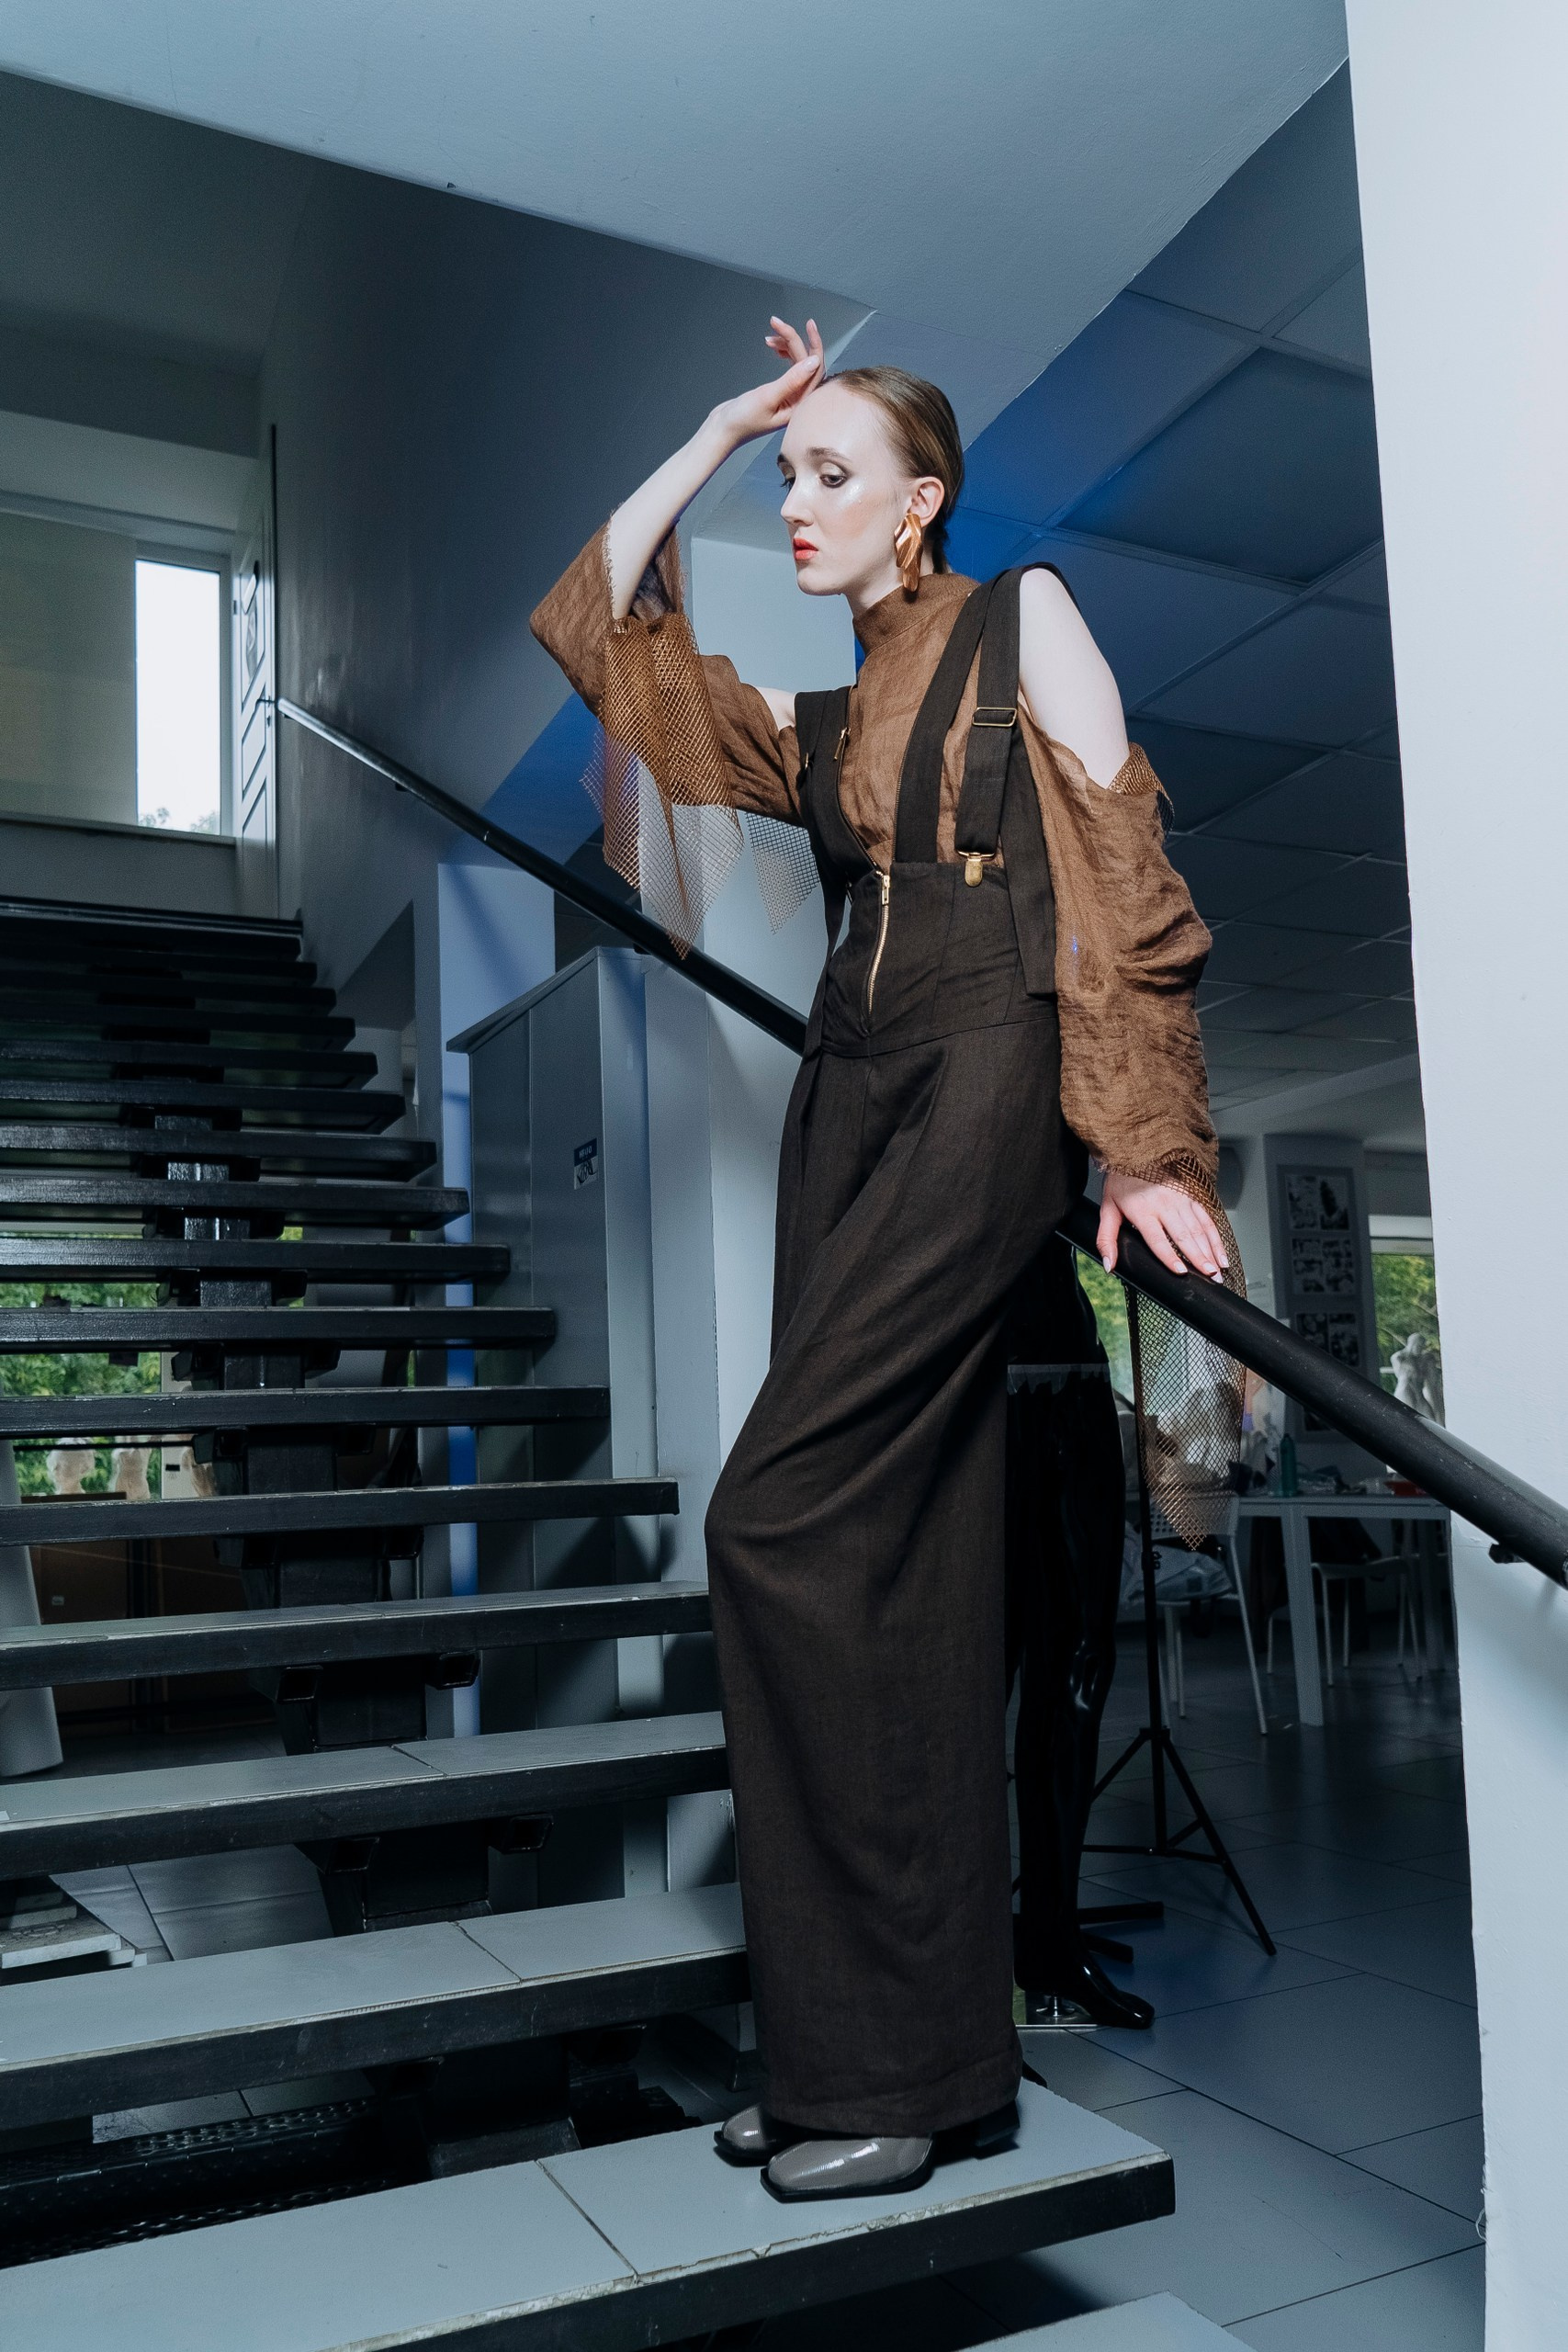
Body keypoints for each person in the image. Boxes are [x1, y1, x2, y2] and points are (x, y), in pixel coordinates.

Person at [531, 318, 1235, 2200]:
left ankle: (888, 2061)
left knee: (773, 1517)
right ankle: (873, 2061)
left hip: (986, 1074)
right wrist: (713, 426)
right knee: (890, 1570)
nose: (797, 499)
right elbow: (605, 628)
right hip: (840, 1098)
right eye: (789, 474)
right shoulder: (823, 721)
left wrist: (1146, 1145)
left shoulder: (1025, 618)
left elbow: (1125, 884)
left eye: (830, 472)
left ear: (922, 502)